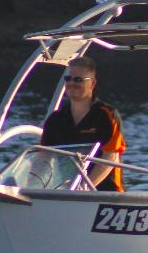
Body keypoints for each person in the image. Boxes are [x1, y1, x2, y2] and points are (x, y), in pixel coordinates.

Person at [41, 56, 125, 191]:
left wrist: (84, 188)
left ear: (92, 84)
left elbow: (111, 156)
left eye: (78, 80)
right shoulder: (55, 119)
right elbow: (43, 159)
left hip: (106, 195)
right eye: (68, 79)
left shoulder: (106, 115)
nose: (72, 83)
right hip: (68, 193)